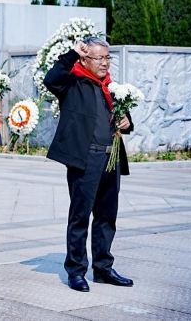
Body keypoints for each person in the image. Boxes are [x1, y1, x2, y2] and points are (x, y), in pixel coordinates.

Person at [44, 37, 135, 292]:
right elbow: (51, 78)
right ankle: (76, 270)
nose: (105, 63)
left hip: (111, 157)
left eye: (108, 58)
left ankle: (104, 268)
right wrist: (72, 53)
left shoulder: (111, 86)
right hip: (85, 158)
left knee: (107, 215)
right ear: (85, 58)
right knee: (80, 216)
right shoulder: (72, 82)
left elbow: (122, 116)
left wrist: (127, 120)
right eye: (100, 58)